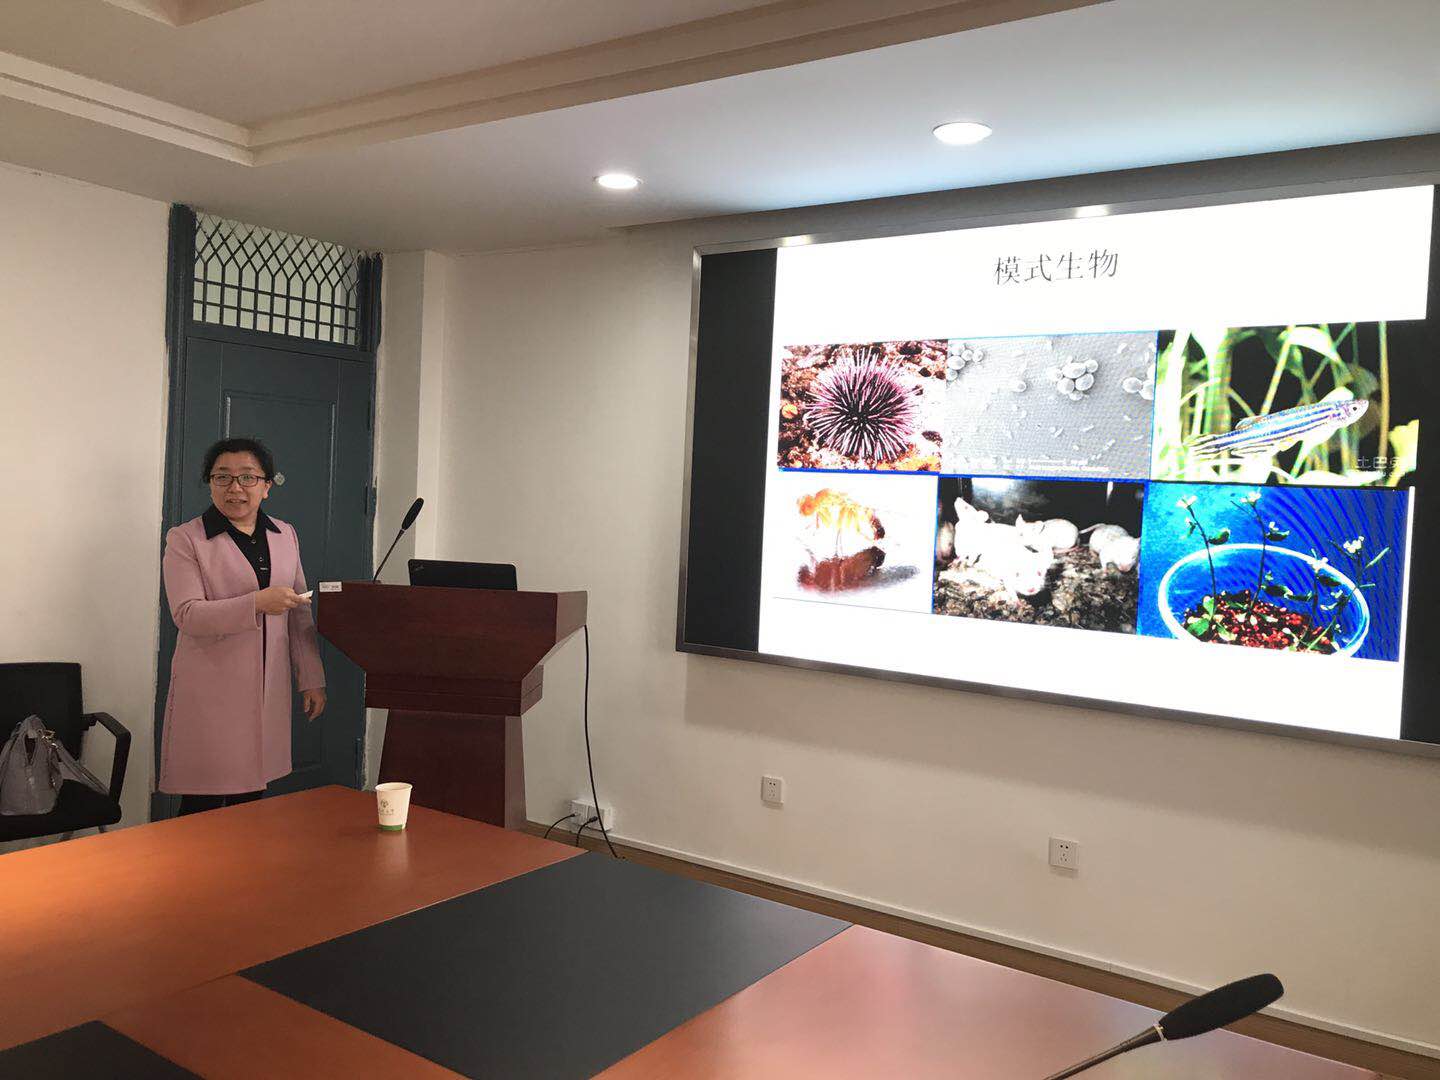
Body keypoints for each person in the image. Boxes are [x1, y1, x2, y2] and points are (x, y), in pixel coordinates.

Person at [159, 437, 326, 815]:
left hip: (268, 687)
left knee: (251, 799)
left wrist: (312, 678)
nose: (235, 488)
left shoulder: (285, 534)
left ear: (266, 486)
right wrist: (256, 604)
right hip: (212, 689)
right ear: (210, 483)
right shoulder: (187, 539)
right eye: (223, 477)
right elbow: (187, 614)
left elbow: (299, 613)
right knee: (202, 801)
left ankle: (244, 857)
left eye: (248, 477)